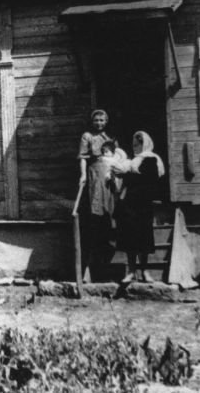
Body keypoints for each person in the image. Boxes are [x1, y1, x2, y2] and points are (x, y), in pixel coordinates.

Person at [77, 110, 126, 280]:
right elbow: (83, 157)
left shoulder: (110, 137)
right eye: (96, 120)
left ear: (106, 121)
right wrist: (83, 175)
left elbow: (119, 155)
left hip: (110, 173)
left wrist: (118, 171)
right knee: (95, 211)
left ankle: (110, 232)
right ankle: (91, 266)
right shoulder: (87, 136)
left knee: (111, 209)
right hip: (95, 173)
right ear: (92, 121)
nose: (99, 123)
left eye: (102, 120)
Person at [116, 130, 165, 284]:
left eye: (139, 144)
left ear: (146, 144)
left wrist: (127, 175)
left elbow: (145, 179)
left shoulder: (151, 159)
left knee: (144, 238)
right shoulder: (133, 161)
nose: (136, 148)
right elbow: (129, 180)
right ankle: (131, 271)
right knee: (130, 237)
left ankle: (144, 271)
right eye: (134, 145)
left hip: (143, 204)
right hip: (130, 204)